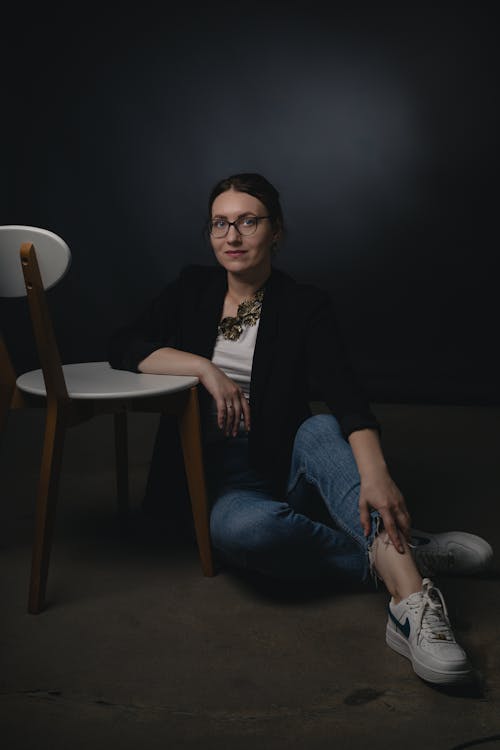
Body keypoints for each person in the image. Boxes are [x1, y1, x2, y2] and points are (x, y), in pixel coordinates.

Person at [108, 172, 493, 686]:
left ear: (276, 232)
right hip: (224, 484)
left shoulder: (303, 305)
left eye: (248, 221)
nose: (233, 236)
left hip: (288, 459)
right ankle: (404, 553)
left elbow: (347, 397)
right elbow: (122, 343)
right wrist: (204, 367)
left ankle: (411, 605)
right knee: (250, 534)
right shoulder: (190, 288)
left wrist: (376, 477)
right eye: (220, 224)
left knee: (321, 426)